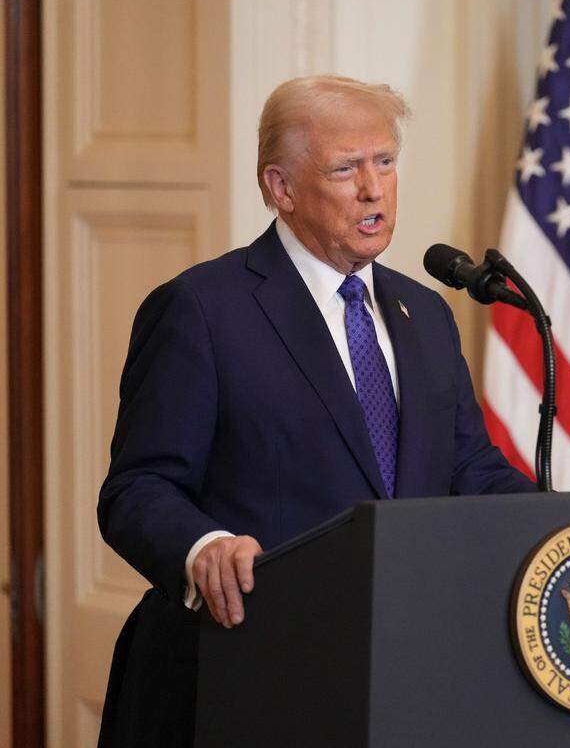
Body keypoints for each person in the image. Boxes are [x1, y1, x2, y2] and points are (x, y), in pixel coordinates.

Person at [95, 75, 535, 747]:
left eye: (385, 161)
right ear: (282, 188)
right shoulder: (202, 310)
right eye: (345, 169)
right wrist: (204, 548)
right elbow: (137, 489)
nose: (374, 188)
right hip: (246, 671)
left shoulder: (426, 313)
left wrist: (561, 523)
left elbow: (468, 467)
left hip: (395, 675)